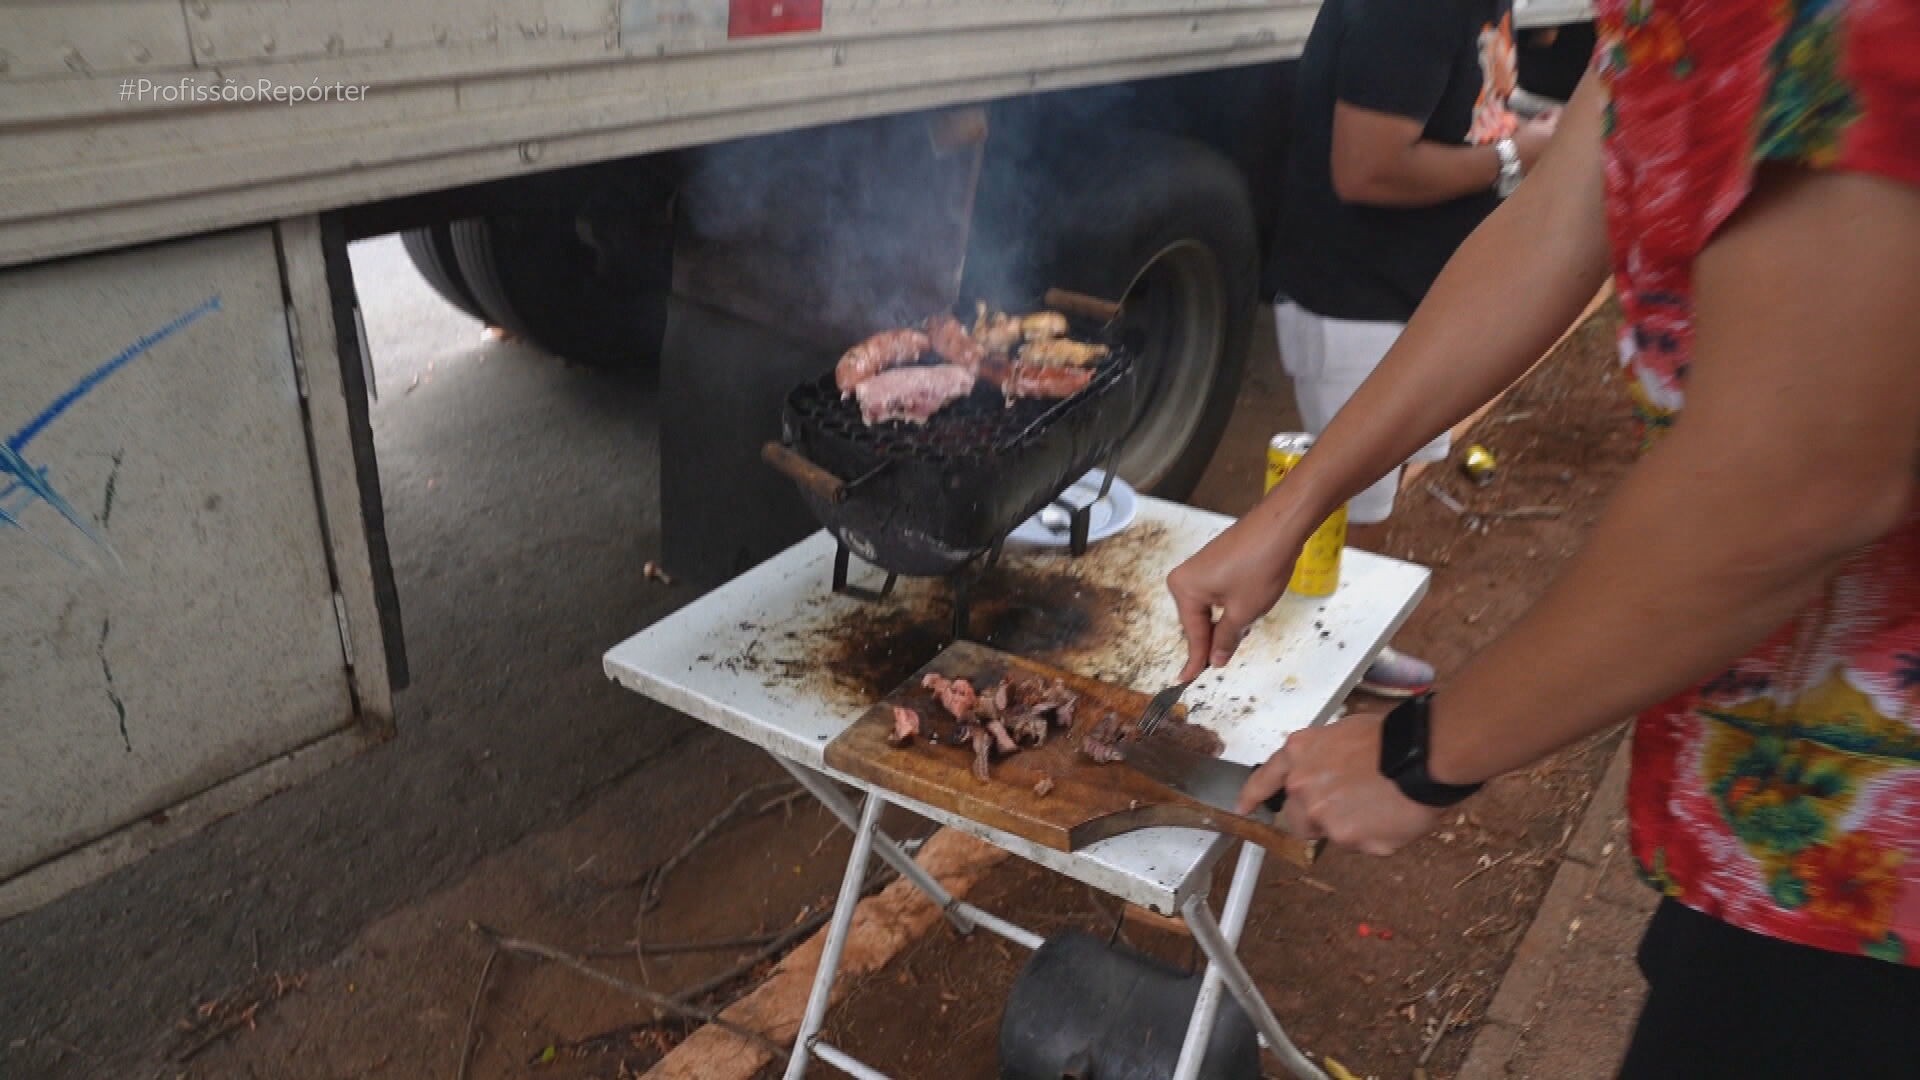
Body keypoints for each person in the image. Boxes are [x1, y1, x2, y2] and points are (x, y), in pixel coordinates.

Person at [1170, 0, 1920, 1073]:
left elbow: (1795, 486)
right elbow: (1558, 222)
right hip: (1754, 779)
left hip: (1876, 872)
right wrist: (1294, 507)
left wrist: (1423, 753)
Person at [1268, 0, 1557, 697]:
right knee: (1347, 500)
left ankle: (1344, 648)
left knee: (1374, 489)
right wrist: (1520, 155)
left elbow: (1476, 98)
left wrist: (1554, 122)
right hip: (1356, 298)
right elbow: (1367, 171)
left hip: (1409, 291)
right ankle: (1320, 675)